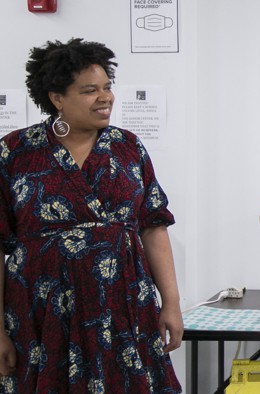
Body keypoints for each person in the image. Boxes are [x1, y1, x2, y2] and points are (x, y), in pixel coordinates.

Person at [0, 38, 183, 392]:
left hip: (123, 306)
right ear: (57, 98)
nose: (105, 98)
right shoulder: (16, 152)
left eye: (107, 87)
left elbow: (153, 227)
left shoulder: (127, 148)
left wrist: (171, 304)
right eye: (89, 90)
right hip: (42, 313)